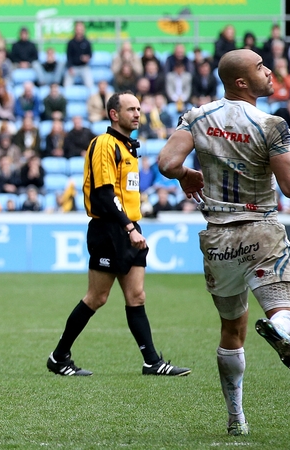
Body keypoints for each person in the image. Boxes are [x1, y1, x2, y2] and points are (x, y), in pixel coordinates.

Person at [157, 49, 290, 437]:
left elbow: (166, 164)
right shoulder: (270, 123)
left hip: (219, 237)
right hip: (260, 229)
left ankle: (235, 418)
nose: (269, 71)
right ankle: (279, 328)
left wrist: (187, 176)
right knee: (287, 315)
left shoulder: (197, 116)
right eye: (260, 67)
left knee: (231, 329)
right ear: (242, 81)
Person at [47, 91, 191, 378]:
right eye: (130, 109)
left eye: (139, 108)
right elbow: (103, 195)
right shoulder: (104, 144)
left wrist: (133, 226)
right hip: (109, 229)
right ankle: (59, 356)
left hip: (129, 227)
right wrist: (127, 227)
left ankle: (152, 361)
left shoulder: (129, 148)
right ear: (114, 114)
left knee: (136, 295)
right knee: (96, 297)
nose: (137, 113)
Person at [64, 21, 93, 91]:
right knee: (66, 85)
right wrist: (70, 67)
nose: (79, 30)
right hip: (73, 67)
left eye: (81, 28)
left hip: (84, 67)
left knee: (90, 85)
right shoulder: (71, 43)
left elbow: (90, 54)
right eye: (78, 28)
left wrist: (87, 58)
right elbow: (68, 56)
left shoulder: (87, 42)